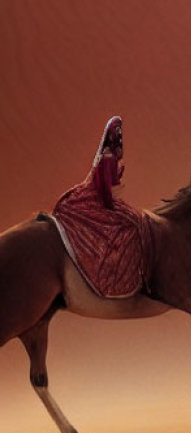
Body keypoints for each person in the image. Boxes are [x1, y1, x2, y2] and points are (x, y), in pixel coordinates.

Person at [52, 116, 150, 297]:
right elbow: (104, 186)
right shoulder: (107, 156)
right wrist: (111, 207)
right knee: (127, 225)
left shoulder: (109, 156)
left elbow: (108, 181)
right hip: (97, 199)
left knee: (134, 220)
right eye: (117, 132)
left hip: (103, 197)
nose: (119, 136)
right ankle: (113, 274)